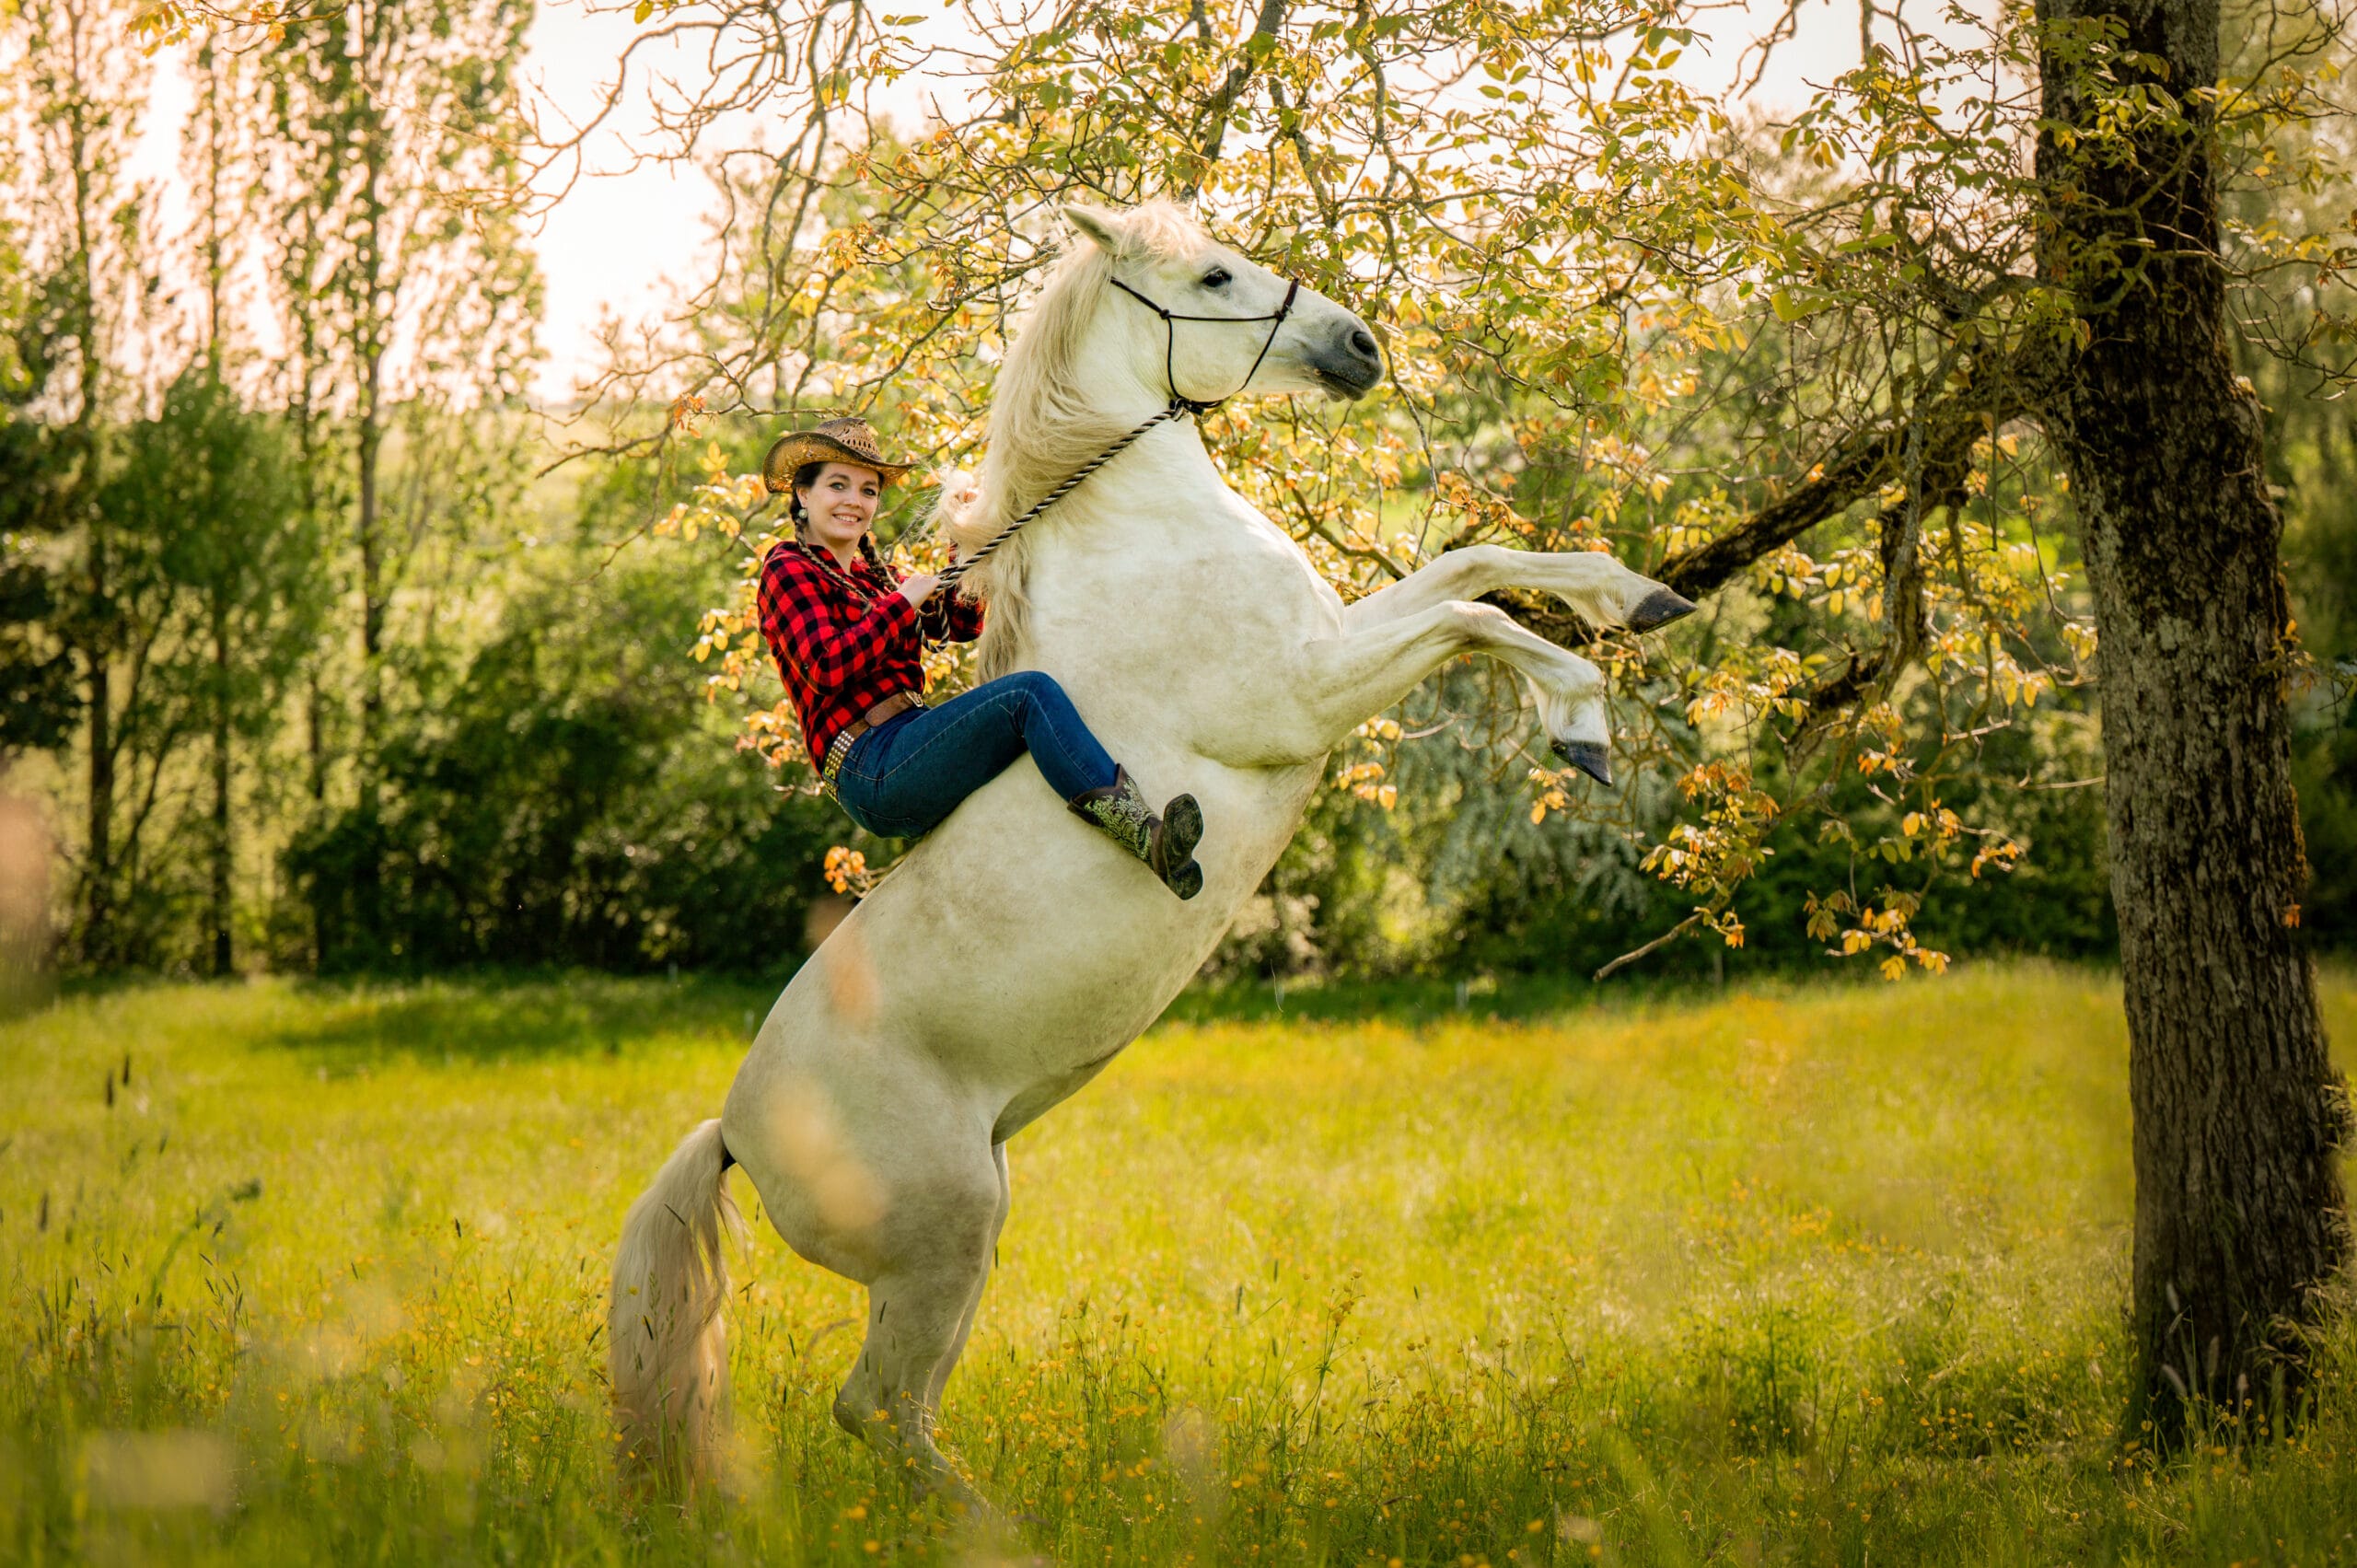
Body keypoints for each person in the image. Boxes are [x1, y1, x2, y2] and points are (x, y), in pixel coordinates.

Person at [754, 416, 1205, 899]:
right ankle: (1145, 833)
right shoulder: (787, 567)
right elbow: (827, 665)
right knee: (1027, 695)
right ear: (803, 494)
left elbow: (962, 625)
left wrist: (961, 544)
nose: (855, 501)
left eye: (868, 490)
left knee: (1037, 708)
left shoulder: (877, 579)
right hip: (869, 763)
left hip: (908, 738)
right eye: (837, 485)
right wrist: (903, 602)